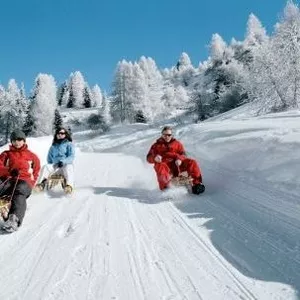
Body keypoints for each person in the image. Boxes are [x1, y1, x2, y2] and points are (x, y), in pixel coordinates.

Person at [0, 129, 41, 232]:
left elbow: (36, 172)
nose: (17, 142)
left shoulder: (32, 156)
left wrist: (31, 183)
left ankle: (14, 219)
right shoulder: (6, 154)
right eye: (14, 140)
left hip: (24, 182)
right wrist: (8, 171)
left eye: (19, 139)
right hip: (9, 179)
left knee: (20, 190)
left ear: (24, 140)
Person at [147, 126, 205, 194]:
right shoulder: (156, 145)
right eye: (164, 135)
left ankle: (196, 184)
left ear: (171, 135)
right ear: (162, 135)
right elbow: (148, 158)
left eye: (169, 135)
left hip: (177, 164)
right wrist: (154, 158)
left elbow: (183, 154)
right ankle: (166, 188)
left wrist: (179, 159)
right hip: (165, 166)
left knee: (192, 162)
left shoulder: (177, 144)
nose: (167, 136)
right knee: (160, 166)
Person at [35, 127, 75, 194]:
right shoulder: (53, 146)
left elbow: (71, 156)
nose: (60, 135)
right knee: (46, 166)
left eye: (62, 133)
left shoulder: (69, 144)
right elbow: (49, 159)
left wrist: (63, 161)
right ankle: (40, 185)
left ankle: (69, 186)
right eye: (58, 133)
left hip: (64, 165)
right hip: (55, 166)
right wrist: (52, 165)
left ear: (65, 135)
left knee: (69, 167)